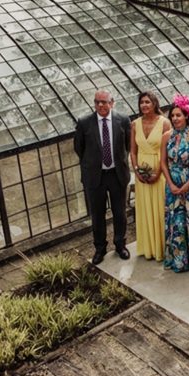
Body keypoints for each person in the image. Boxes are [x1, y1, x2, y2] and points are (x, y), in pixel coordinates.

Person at [74, 90, 132, 265]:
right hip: (95, 177)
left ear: (112, 102)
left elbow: (128, 145)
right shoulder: (84, 123)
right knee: (97, 215)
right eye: (97, 102)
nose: (101, 105)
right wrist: (93, 163)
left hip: (116, 175)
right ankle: (100, 249)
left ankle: (120, 245)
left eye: (104, 102)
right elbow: (79, 148)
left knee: (119, 212)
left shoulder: (122, 120)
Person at [162, 96, 189, 273]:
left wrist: (188, 184)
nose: (175, 118)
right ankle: (179, 261)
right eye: (173, 116)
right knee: (176, 223)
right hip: (173, 186)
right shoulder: (166, 136)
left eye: (178, 115)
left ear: (186, 115)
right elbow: (163, 162)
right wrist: (171, 183)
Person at [131, 91, 169, 261]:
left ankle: (162, 247)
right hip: (142, 174)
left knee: (161, 208)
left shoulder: (165, 123)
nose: (144, 105)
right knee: (145, 208)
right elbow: (133, 151)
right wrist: (137, 171)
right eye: (142, 102)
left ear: (154, 103)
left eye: (147, 102)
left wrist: (158, 172)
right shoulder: (134, 124)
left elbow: (167, 151)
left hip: (159, 171)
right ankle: (148, 248)